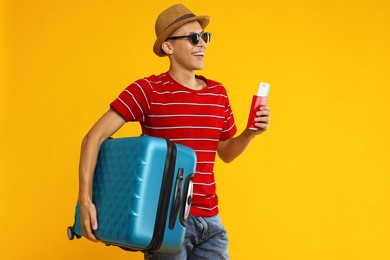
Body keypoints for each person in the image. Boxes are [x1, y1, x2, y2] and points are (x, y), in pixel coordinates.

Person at [78, 3, 270, 260]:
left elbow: (224, 152)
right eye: (193, 38)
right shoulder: (147, 91)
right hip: (165, 220)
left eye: (205, 37)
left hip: (211, 221)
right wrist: (85, 200)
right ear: (168, 47)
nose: (202, 44)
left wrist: (250, 133)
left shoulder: (218, 93)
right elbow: (93, 138)